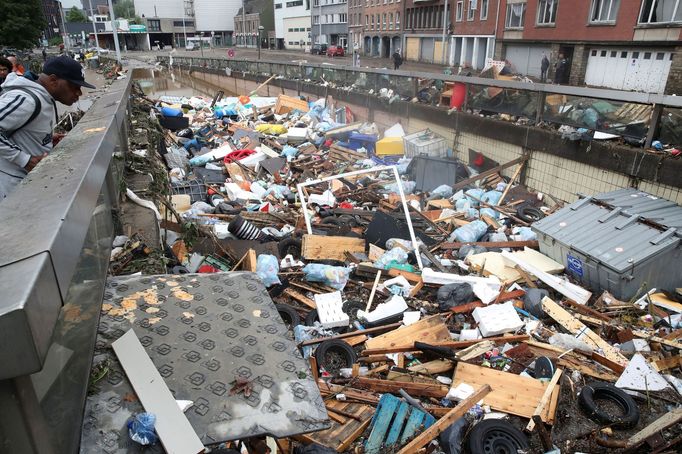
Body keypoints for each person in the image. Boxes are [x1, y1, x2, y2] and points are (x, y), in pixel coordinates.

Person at [0, 56, 95, 200]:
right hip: (11, 187)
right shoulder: (27, 100)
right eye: (74, 86)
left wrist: (45, 138)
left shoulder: (44, 97)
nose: (79, 93)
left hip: (27, 184)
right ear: (53, 80)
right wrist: (24, 159)